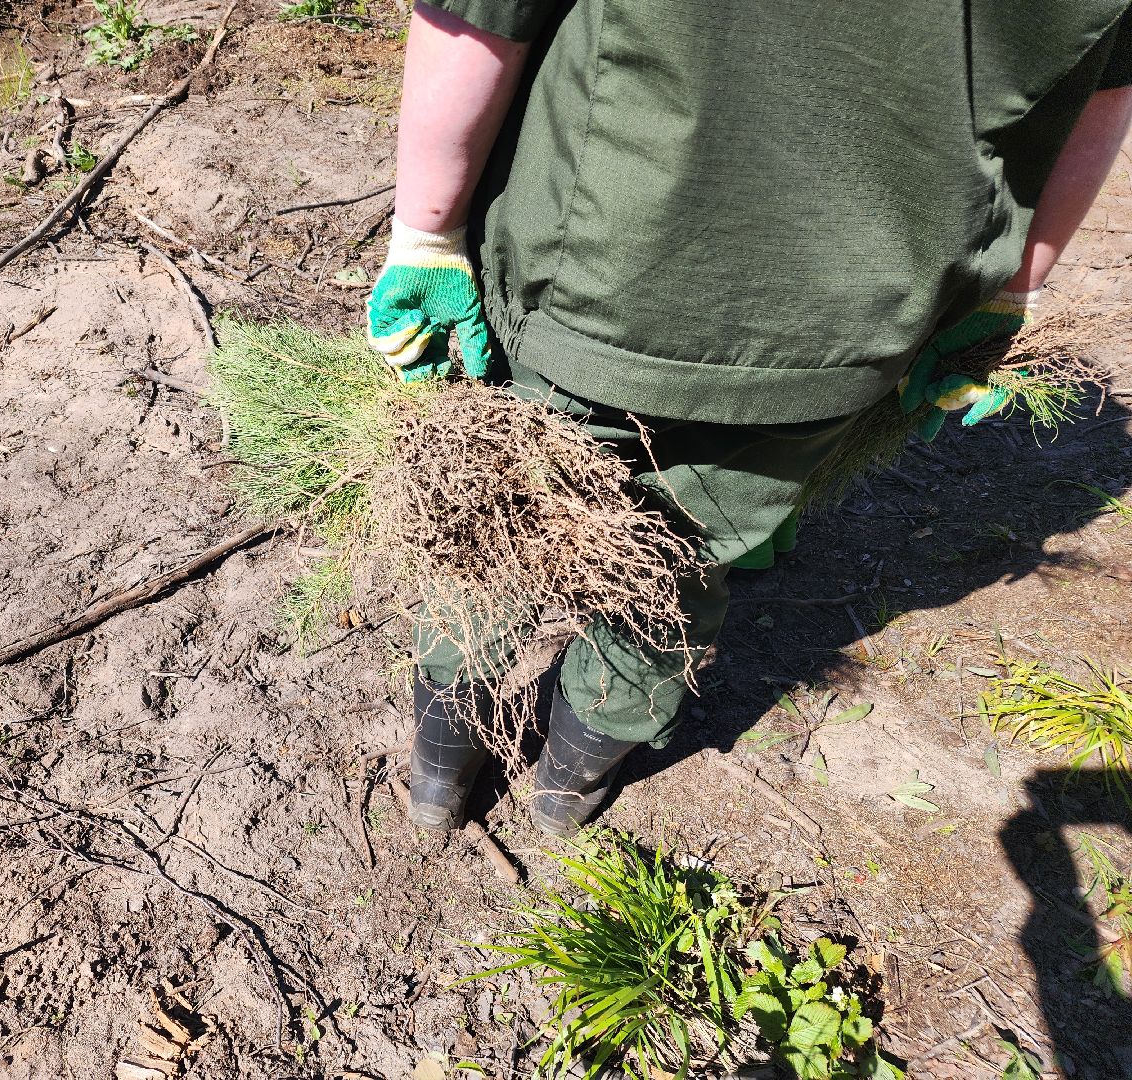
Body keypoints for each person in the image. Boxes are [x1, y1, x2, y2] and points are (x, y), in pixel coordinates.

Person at [364, 1, 1132, 836]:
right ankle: (566, 792)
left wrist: (426, 233)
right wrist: (1010, 295)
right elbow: (1098, 93)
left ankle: (438, 781)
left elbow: (477, 17)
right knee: (687, 556)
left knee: (490, 528)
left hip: (592, 273)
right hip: (849, 327)